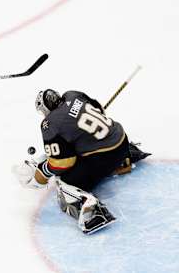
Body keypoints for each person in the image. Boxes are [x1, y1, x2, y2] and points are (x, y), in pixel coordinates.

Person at [15, 89, 150, 234]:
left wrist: (42, 172)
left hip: (105, 156)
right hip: (121, 141)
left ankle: (92, 211)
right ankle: (124, 160)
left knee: (64, 181)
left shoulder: (50, 123)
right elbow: (100, 110)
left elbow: (62, 163)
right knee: (82, 151)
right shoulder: (73, 95)